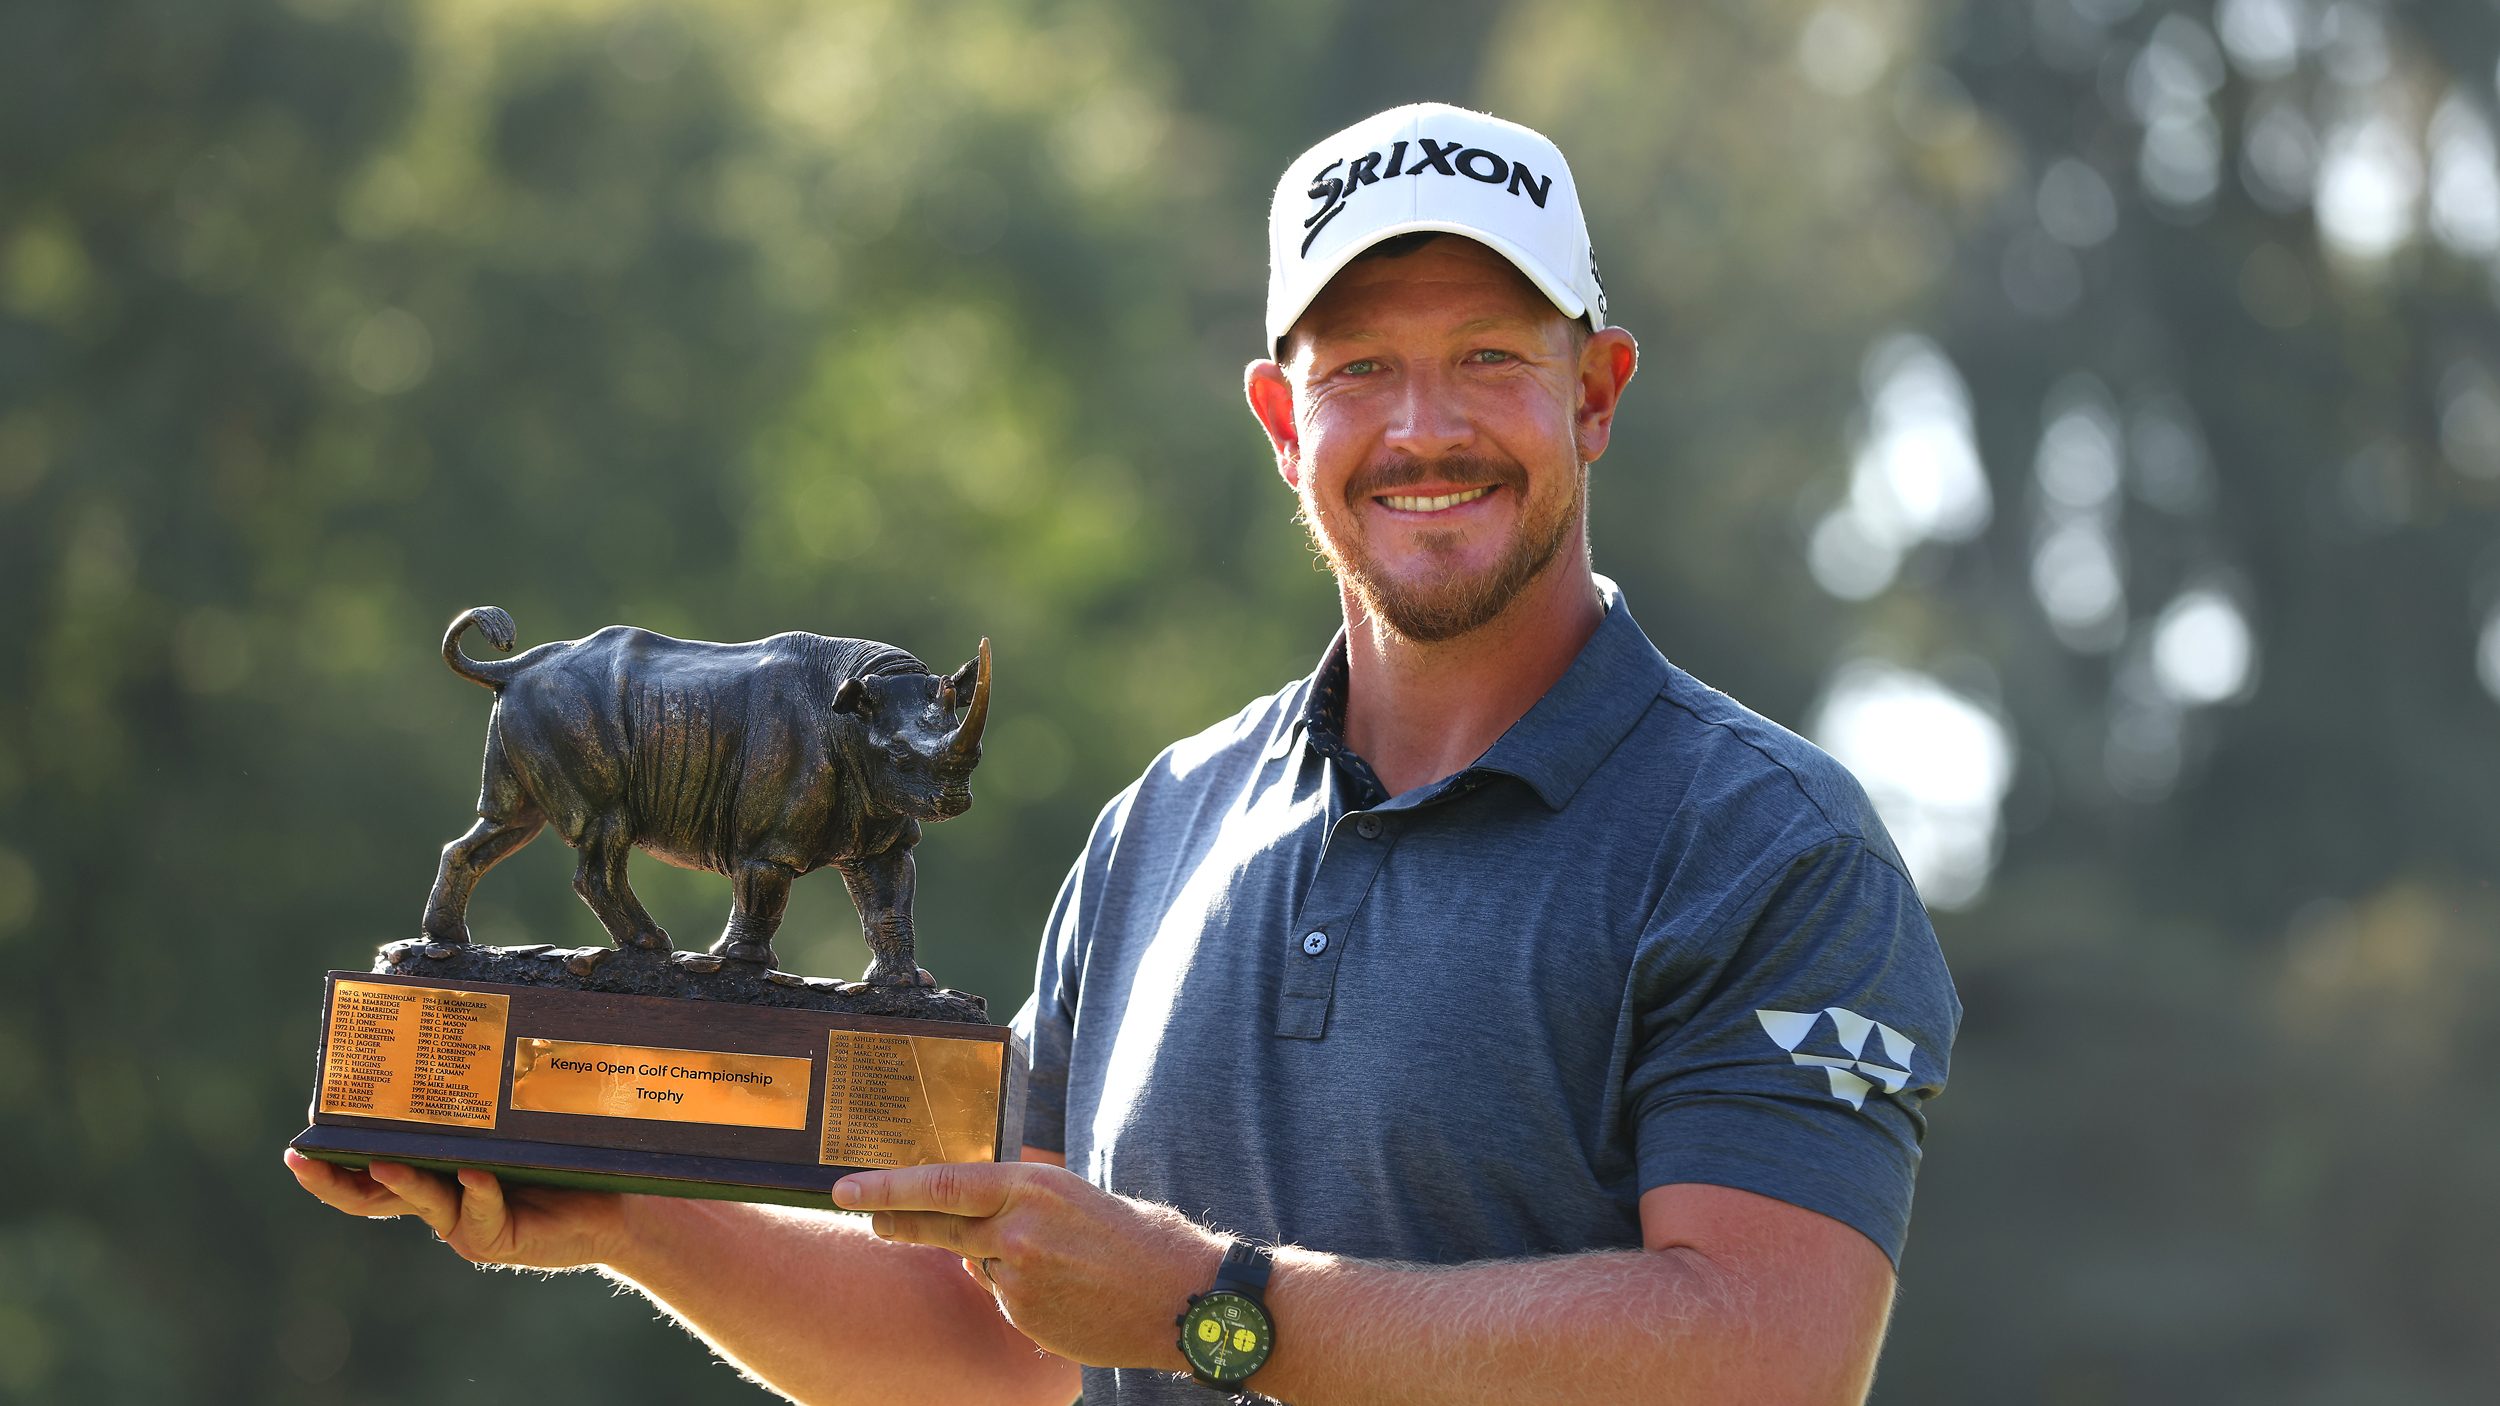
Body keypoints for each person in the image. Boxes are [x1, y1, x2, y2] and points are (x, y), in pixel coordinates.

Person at [287, 103, 1958, 1406]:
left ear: (1595, 393)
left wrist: (1201, 1301)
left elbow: (1762, 1355)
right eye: (1360, 368)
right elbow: (1010, 1341)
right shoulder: (1165, 825)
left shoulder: (1765, 847)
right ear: (1279, 421)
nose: (1425, 427)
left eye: (1490, 360)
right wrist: (625, 1206)